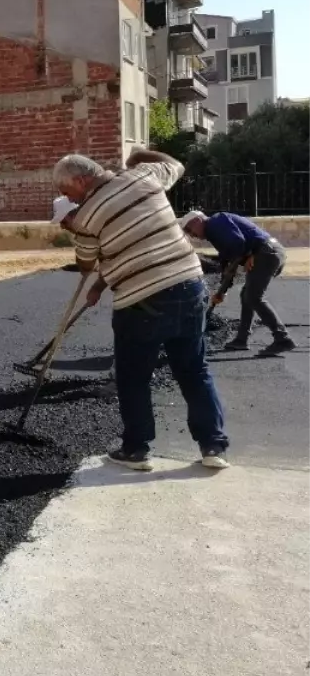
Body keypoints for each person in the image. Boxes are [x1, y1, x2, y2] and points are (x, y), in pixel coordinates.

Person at [54, 147, 229, 471]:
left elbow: (85, 261)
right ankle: (212, 446)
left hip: (140, 302)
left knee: (133, 377)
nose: (70, 199)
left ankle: (136, 450)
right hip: (189, 288)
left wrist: (89, 259)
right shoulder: (146, 176)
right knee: (194, 370)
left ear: (81, 179)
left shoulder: (87, 216)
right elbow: (175, 164)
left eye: (67, 191)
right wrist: (139, 156)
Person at [179, 209, 295, 356]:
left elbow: (238, 244)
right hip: (268, 251)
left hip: (266, 253)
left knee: (254, 297)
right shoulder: (214, 231)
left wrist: (248, 254)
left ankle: (283, 339)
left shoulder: (215, 222)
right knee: (246, 295)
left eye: (190, 229)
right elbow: (229, 262)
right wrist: (222, 290)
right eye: (187, 232)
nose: (191, 234)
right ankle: (241, 339)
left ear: (198, 221)